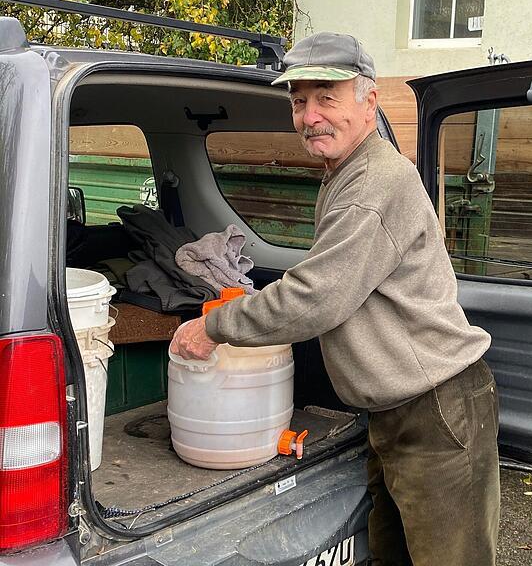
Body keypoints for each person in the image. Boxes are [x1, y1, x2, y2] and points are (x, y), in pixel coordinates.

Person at [170, 32, 500, 566]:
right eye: (299, 101)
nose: (309, 115)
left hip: (435, 409)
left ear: (369, 101)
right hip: (396, 410)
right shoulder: (345, 173)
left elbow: (317, 297)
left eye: (327, 97)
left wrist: (213, 326)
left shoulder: (375, 182)